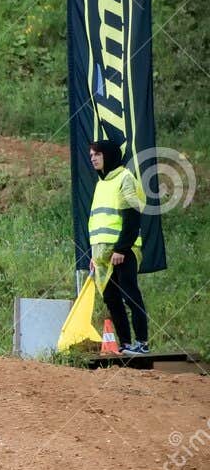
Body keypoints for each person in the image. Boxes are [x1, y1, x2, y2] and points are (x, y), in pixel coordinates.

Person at [87, 140, 149, 354]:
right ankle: (125, 344)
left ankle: (142, 342)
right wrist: (94, 255)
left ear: (109, 155)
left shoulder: (124, 178)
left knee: (130, 293)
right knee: (111, 298)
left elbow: (132, 218)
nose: (93, 158)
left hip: (123, 251)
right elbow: (97, 223)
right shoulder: (100, 184)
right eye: (91, 155)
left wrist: (121, 249)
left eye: (97, 154)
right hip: (103, 255)